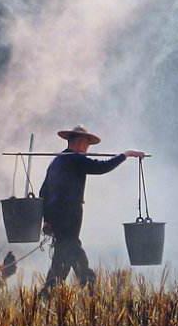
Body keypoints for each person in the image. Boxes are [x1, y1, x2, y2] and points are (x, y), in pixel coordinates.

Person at [38, 125, 145, 295]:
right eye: (87, 144)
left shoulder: (58, 161)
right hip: (69, 213)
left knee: (64, 251)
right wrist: (125, 155)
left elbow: (44, 191)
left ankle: (51, 292)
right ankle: (88, 282)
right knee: (71, 246)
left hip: (56, 215)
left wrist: (47, 219)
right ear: (80, 142)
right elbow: (101, 167)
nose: (87, 149)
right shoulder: (75, 159)